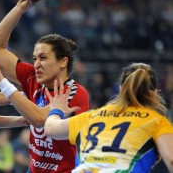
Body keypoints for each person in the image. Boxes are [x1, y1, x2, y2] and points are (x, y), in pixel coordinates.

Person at [0, 0, 89, 172]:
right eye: (34, 59)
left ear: (63, 61)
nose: (36, 64)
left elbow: (39, 119)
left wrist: (2, 82)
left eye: (43, 58)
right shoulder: (32, 77)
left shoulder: (75, 93)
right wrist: (19, 9)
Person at [44, 63, 173, 172]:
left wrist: (56, 109)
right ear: (155, 92)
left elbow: (50, 128)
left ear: (121, 89)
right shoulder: (157, 122)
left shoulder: (92, 116)